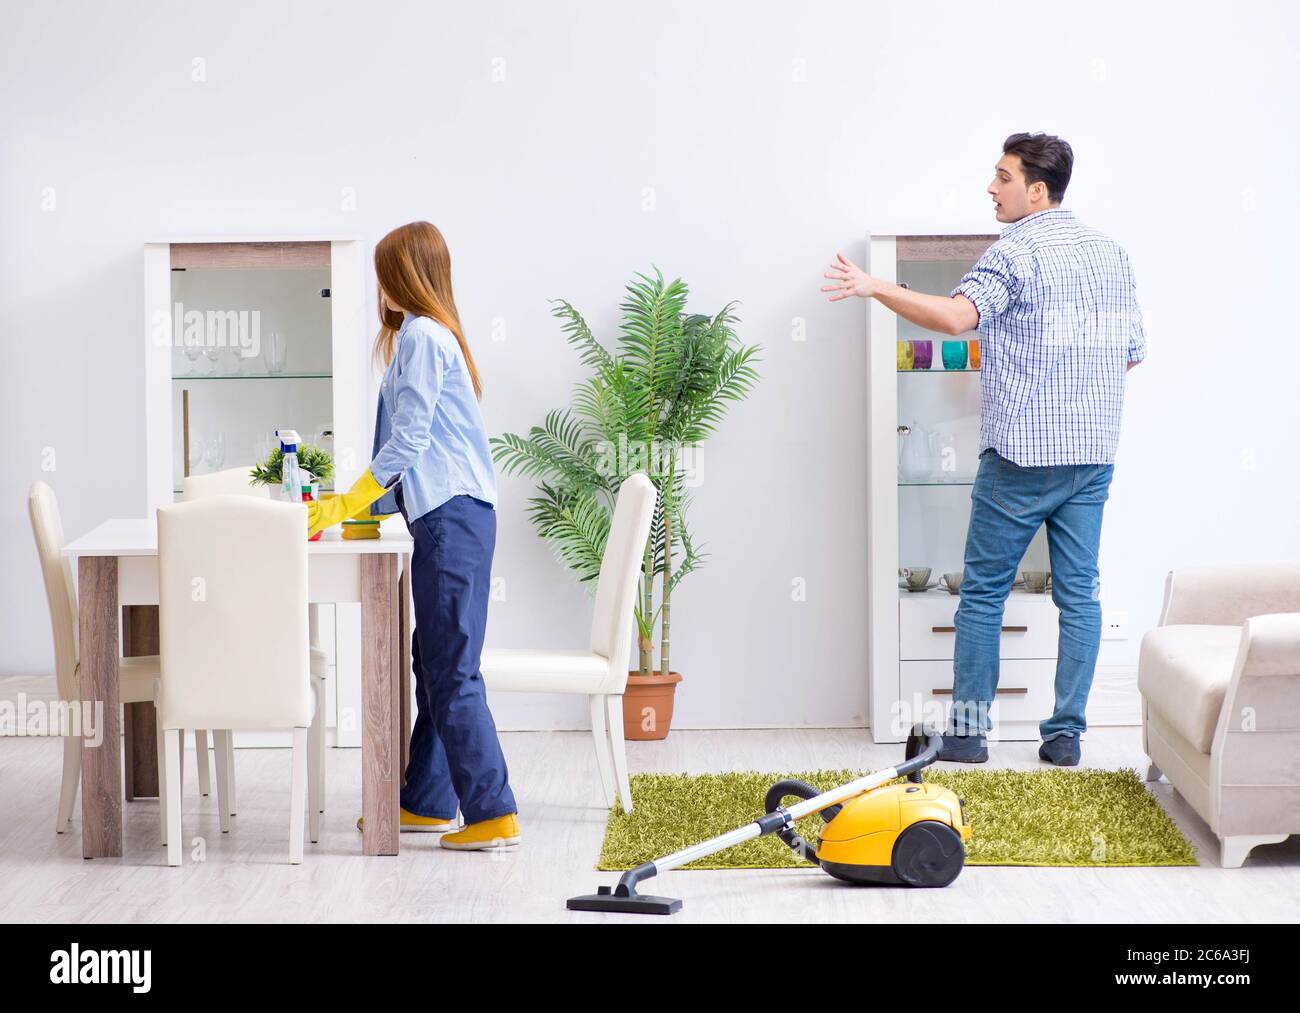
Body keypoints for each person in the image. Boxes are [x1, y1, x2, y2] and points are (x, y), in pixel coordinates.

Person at [823, 132, 1145, 766]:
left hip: (1020, 460)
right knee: (1079, 596)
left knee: (983, 593)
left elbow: (953, 318)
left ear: (1037, 189)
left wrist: (873, 286)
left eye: (1002, 177)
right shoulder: (1111, 253)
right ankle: (1065, 737)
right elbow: (1130, 354)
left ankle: (969, 734)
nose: (990, 188)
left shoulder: (1015, 252)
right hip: (1092, 456)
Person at [309, 221, 520, 847]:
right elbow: (405, 449)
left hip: (453, 517)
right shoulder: (416, 338)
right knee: (431, 662)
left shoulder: (425, 335)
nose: (377, 287)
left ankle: (492, 812)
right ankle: (428, 801)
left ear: (404, 276)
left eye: (384, 273)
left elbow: (409, 440)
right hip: (443, 516)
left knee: (452, 668)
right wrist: (360, 511)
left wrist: (350, 499)